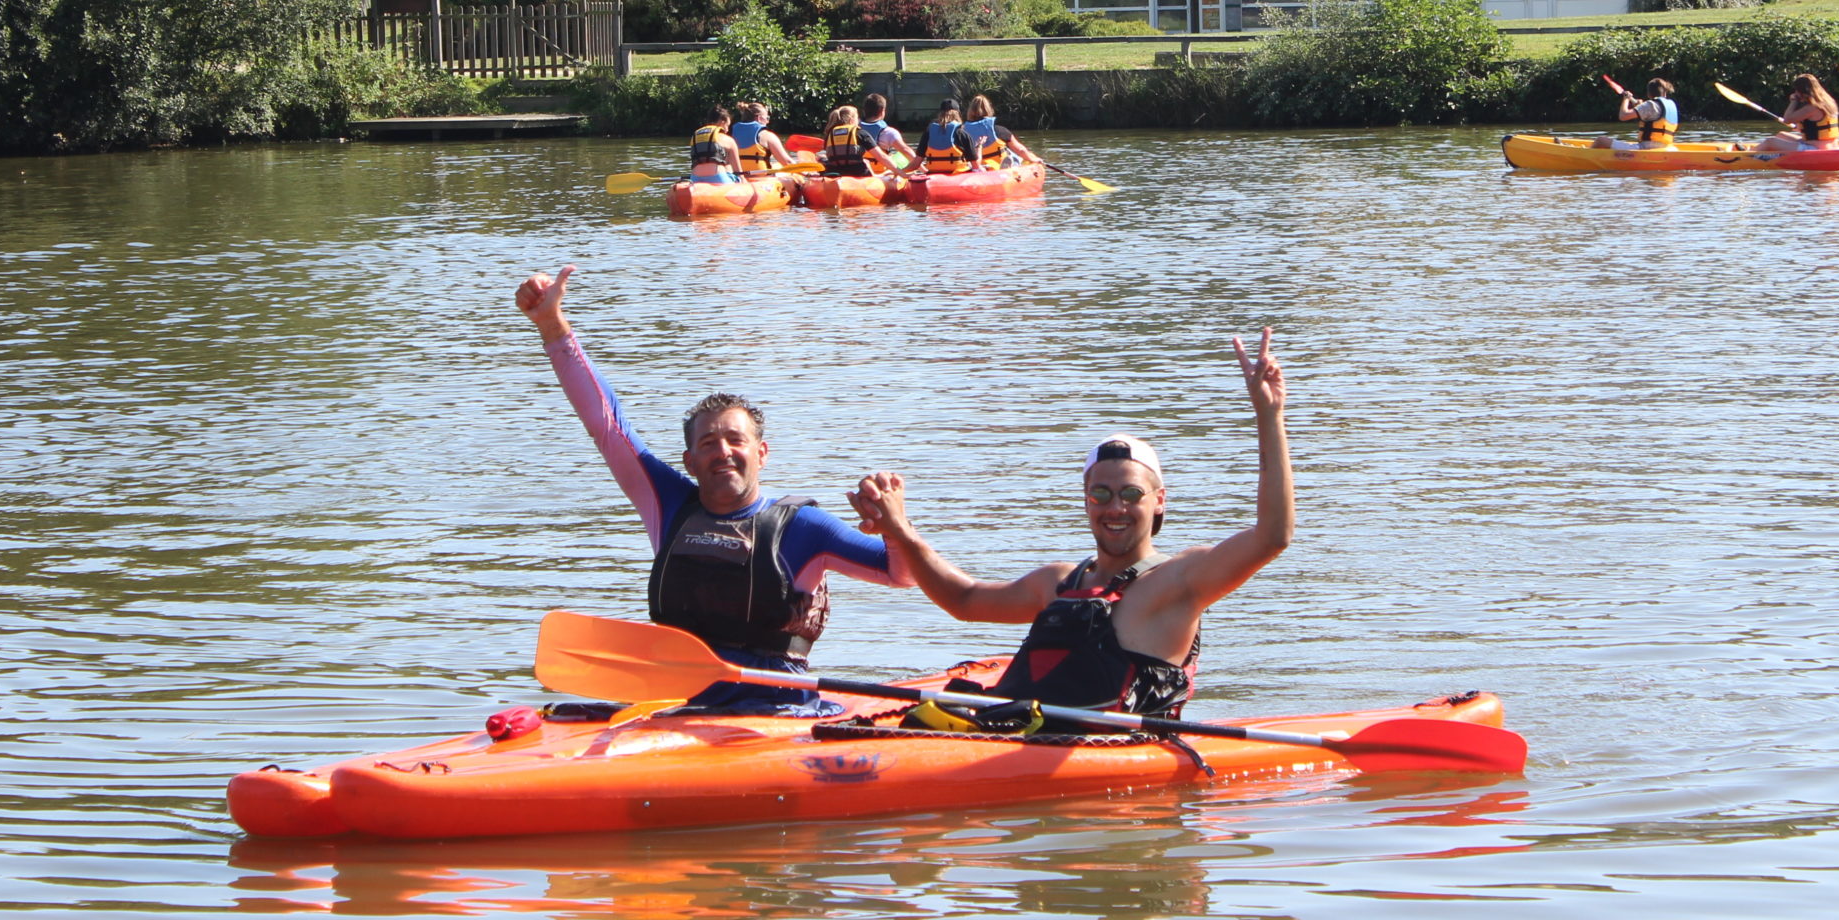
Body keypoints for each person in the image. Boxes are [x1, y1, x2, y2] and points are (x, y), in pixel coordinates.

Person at [514, 266, 911, 712]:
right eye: (708, 444)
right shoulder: (668, 503)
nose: (722, 452)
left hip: (778, 712)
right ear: (690, 461)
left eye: (735, 441)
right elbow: (607, 426)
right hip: (678, 703)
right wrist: (553, 327)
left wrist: (895, 527)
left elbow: (901, 575)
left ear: (761, 454)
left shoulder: (805, 527)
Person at [847, 329, 1292, 724]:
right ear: (1086, 501)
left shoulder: (1180, 582)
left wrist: (1269, 417)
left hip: (1105, 761)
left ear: (1158, 503)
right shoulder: (1058, 583)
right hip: (1016, 739)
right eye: (1100, 495)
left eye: (1131, 495)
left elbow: (1272, 536)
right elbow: (964, 600)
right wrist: (902, 531)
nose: (1114, 507)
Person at [1757, 74, 1839, 152]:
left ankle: (1746, 156)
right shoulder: (1830, 102)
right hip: (1829, 146)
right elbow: (1813, 126)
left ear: (1802, 92)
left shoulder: (1812, 108)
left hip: (1815, 150)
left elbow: (1787, 119)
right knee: (1781, 135)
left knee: (1770, 141)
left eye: (1796, 91)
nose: (1795, 93)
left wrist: (1794, 101)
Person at [961, 94, 1040, 169]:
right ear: (989, 110)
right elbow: (1020, 150)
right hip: (997, 167)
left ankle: (977, 168)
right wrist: (1034, 159)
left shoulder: (962, 133)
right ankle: (1008, 167)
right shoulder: (1000, 131)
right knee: (1020, 158)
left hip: (977, 168)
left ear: (970, 111)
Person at [728, 101, 793, 178]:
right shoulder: (767, 136)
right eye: (767, 118)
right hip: (761, 179)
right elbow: (787, 162)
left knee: (777, 166)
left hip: (738, 179)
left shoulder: (730, 134)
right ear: (759, 118)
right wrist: (806, 172)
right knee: (790, 173)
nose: (768, 121)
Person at [818, 104, 886, 177]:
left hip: (833, 172)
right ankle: (875, 177)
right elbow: (881, 156)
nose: (859, 120)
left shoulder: (830, 135)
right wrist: (897, 171)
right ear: (852, 120)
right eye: (857, 118)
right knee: (865, 162)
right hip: (857, 173)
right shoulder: (860, 133)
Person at [917, 99, 981, 174]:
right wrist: (979, 146)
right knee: (981, 170)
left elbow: (916, 162)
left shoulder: (928, 133)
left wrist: (902, 172)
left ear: (940, 114)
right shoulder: (962, 134)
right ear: (957, 114)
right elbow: (976, 166)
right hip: (958, 176)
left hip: (934, 176)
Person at [1613, 77, 1679, 150]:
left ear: (1649, 94)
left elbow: (1623, 116)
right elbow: (1652, 113)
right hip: (1668, 147)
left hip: (1647, 148)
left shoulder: (1649, 105)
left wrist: (1626, 99)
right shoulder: (1671, 105)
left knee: (1601, 140)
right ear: (1664, 93)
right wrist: (1640, 106)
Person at [857, 93, 914, 170]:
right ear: (882, 111)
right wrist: (925, 171)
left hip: (860, 170)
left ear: (864, 110)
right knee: (902, 155)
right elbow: (906, 150)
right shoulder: (889, 132)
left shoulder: (854, 129)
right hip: (881, 172)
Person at [689, 106, 741, 183]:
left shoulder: (696, 136)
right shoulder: (728, 140)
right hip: (718, 178)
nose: (727, 130)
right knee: (729, 167)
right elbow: (738, 172)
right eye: (728, 125)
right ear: (722, 123)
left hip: (695, 179)